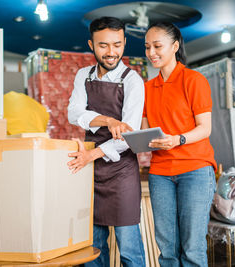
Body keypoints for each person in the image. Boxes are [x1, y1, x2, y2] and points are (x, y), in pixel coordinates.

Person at [67, 16, 146, 267]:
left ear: (124, 43)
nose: (111, 52)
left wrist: (92, 154)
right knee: (92, 247)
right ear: (91, 44)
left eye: (117, 44)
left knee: (129, 249)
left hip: (121, 168)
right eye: (103, 45)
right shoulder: (84, 75)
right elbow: (73, 113)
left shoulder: (132, 81)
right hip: (90, 170)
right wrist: (108, 120)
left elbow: (128, 137)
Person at [142, 22, 217, 267]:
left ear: (175, 46)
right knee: (167, 250)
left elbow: (205, 129)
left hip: (195, 169)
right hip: (160, 173)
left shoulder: (193, 80)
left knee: (192, 248)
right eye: (147, 47)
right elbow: (144, 129)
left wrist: (178, 139)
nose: (151, 52)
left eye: (157, 46)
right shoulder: (146, 89)